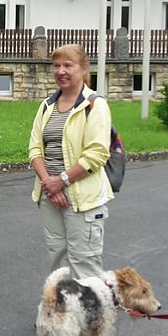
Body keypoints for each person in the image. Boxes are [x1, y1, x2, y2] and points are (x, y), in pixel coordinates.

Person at [28, 44, 114, 279]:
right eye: (56, 66)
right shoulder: (47, 106)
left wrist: (62, 181)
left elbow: (96, 154)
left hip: (82, 199)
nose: (61, 71)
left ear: (84, 68)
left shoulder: (95, 105)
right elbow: (35, 148)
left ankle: (90, 315)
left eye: (68, 65)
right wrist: (49, 184)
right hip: (50, 196)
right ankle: (62, 313)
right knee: (58, 261)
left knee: (84, 261)